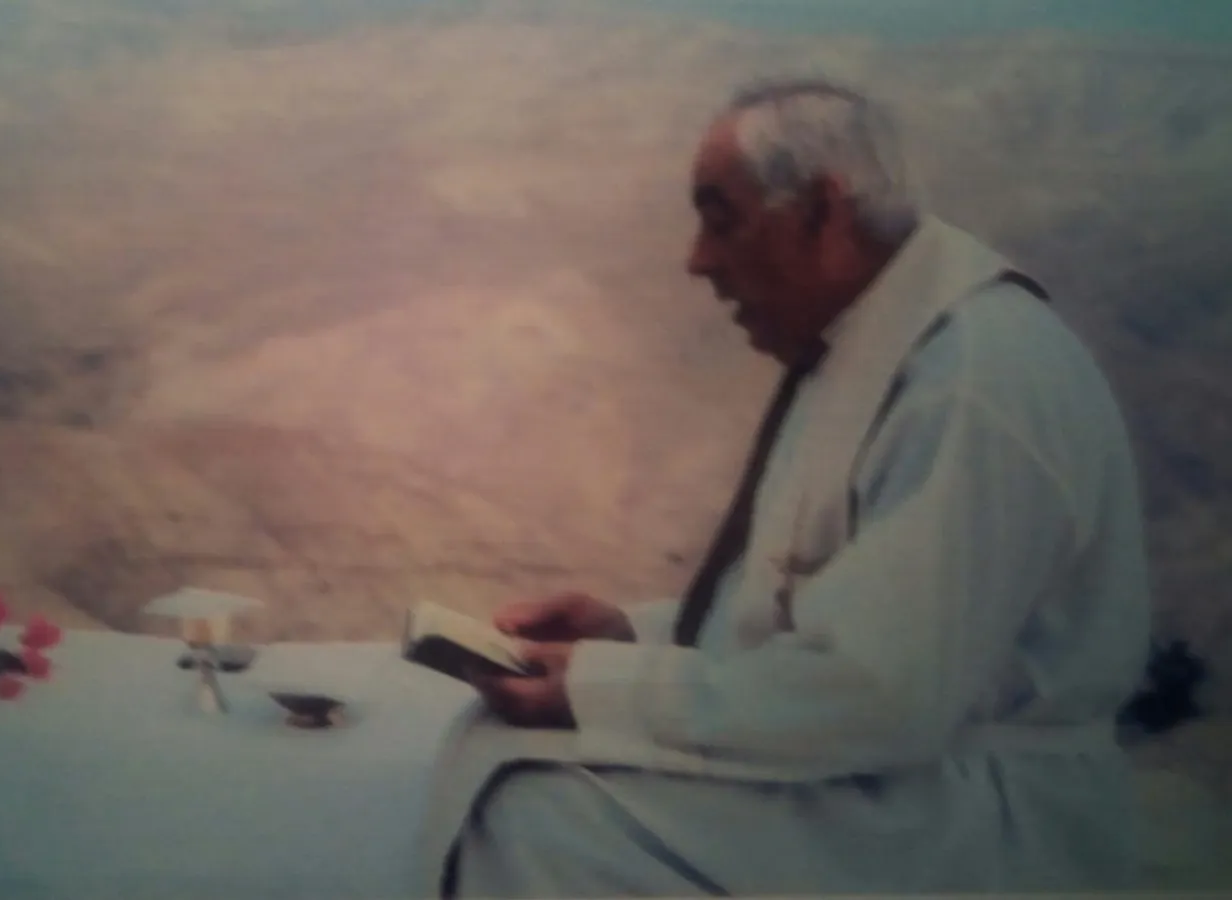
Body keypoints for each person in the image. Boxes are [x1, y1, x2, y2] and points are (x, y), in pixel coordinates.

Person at [420, 77, 1153, 898]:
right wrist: (631, 636)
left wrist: (598, 687)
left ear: (820, 211)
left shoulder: (970, 382)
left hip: (972, 824)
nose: (698, 260)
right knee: (519, 766)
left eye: (721, 219)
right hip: (901, 782)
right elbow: (815, 613)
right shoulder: (876, 344)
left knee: (540, 816)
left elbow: (876, 693)